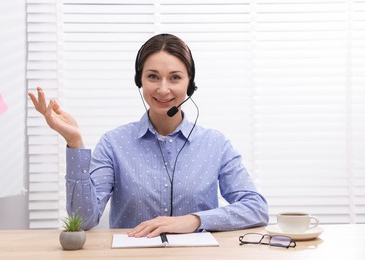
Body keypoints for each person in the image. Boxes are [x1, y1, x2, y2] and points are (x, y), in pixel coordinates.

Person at [28, 33, 269, 238]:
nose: (163, 89)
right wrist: (74, 142)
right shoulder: (114, 144)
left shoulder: (216, 144)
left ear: (190, 83)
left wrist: (194, 220)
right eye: (153, 77)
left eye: (175, 77)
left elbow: (256, 208)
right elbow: (83, 219)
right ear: (139, 81)